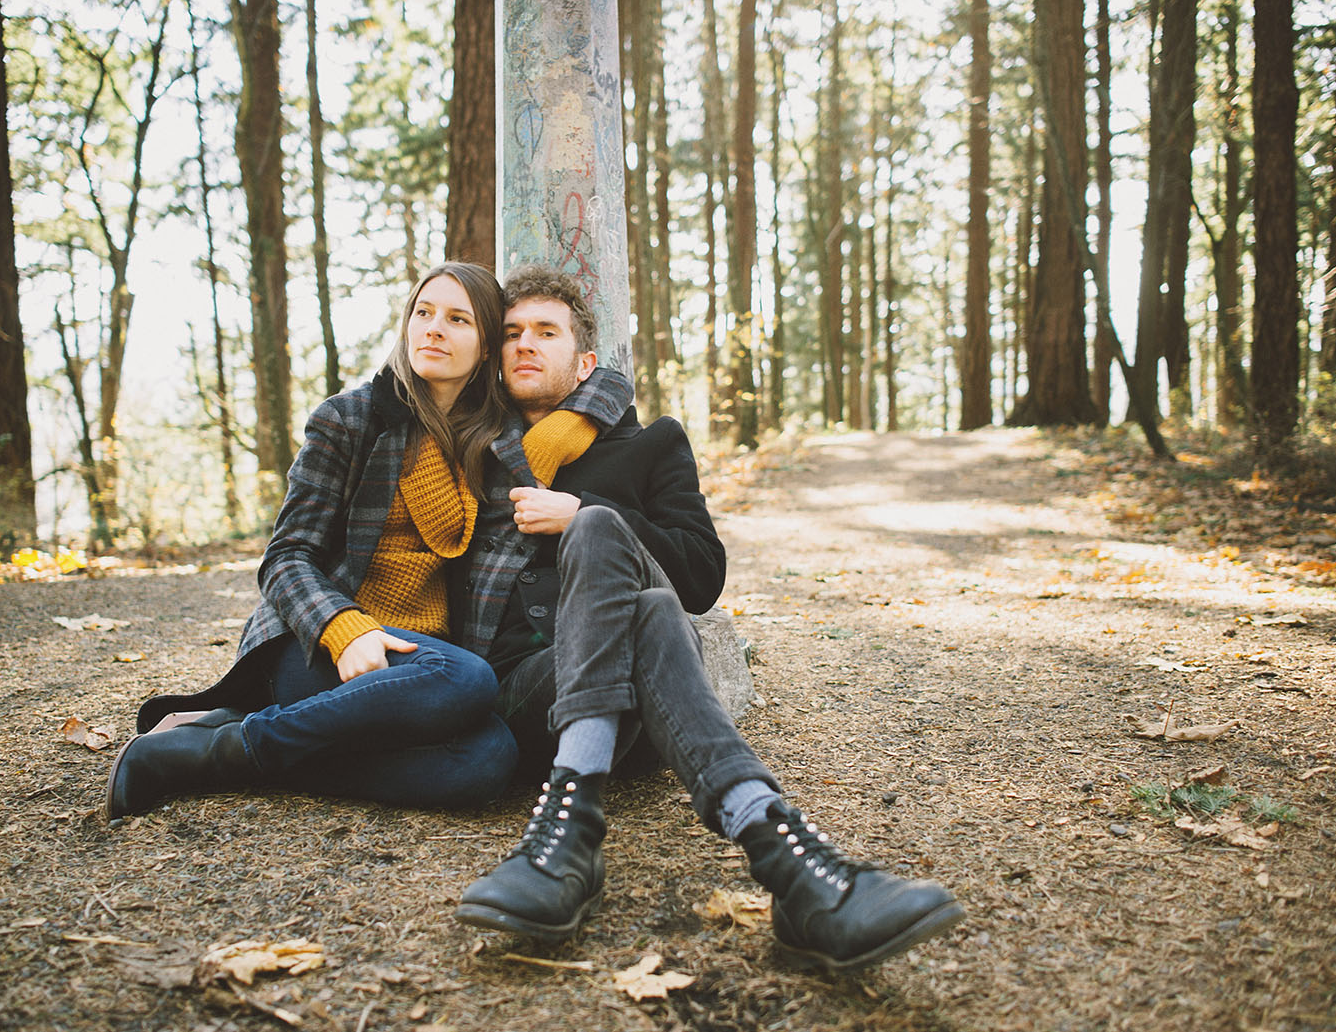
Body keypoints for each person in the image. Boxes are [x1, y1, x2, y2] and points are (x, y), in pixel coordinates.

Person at [451, 265, 966, 972]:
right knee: (650, 609)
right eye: (511, 334)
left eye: (547, 331)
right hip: (529, 689)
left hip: (632, 706)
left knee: (622, 553)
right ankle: (790, 861)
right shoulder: (474, 450)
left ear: (585, 362)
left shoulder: (652, 444)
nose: (526, 345)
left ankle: (566, 839)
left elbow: (700, 574)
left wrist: (585, 517)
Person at [105, 262, 527, 818]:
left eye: (458, 319)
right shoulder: (350, 419)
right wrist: (342, 628)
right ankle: (215, 749)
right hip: (317, 646)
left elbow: (589, 391)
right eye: (423, 313)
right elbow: (286, 557)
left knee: (491, 758)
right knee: (468, 679)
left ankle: (226, 744)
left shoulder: (496, 443)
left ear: (488, 343)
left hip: (418, 667)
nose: (433, 329)